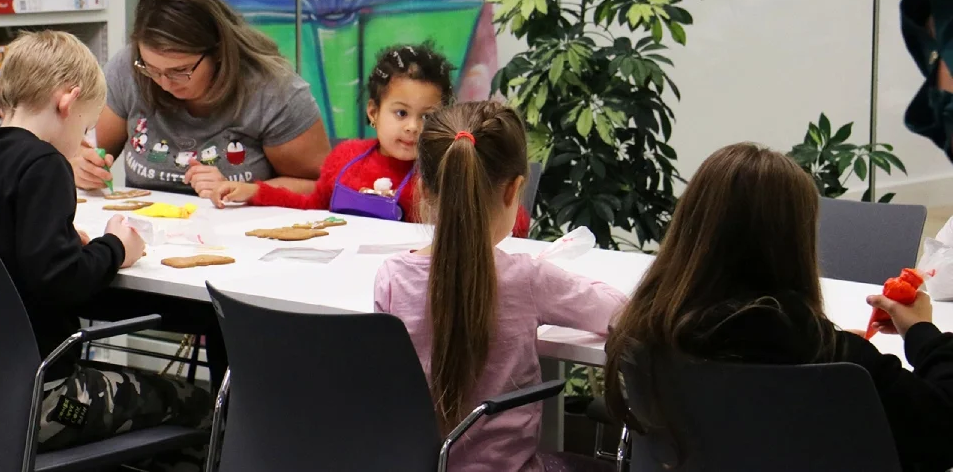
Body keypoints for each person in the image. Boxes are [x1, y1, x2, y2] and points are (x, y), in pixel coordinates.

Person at [0, 31, 212, 456]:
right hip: (37, 406)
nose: (84, 142)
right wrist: (117, 247)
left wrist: (60, 241)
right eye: (85, 127)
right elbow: (60, 280)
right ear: (67, 101)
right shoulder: (44, 166)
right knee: (195, 398)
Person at [603, 143, 953, 472]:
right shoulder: (837, 362)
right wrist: (923, 334)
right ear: (795, 243)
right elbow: (942, 434)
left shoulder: (645, 336)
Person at [374, 102, 627, 472]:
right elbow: (618, 311)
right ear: (514, 191)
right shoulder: (527, 278)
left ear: (424, 189)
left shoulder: (391, 278)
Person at [210, 44, 529, 232]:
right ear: (374, 112)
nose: (413, 128)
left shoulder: (444, 169)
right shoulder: (344, 158)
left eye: (428, 117)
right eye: (401, 113)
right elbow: (312, 207)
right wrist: (254, 191)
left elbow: (514, 223)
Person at [72, 0, 329, 197]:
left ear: (218, 51)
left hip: (244, 234)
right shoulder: (128, 69)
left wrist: (246, 191)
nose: (163, 83)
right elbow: (88, 153)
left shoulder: (274, 91)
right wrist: (81, 168)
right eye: (152, 69)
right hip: (150, 232)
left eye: (180, 71)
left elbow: (321, 188)